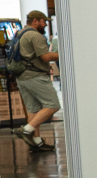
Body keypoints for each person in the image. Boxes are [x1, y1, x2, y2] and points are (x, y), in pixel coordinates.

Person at [12, 10, 61, 152]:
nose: (45, 24)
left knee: (34, 109)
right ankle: (26, 130)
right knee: (53, 105)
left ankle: (36, 141)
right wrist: (65, 52)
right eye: (43, 21)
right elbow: (45, 57)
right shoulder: (35, 35)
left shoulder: (19, 34)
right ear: (35, 21)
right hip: (35, 76)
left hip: (22, 76)